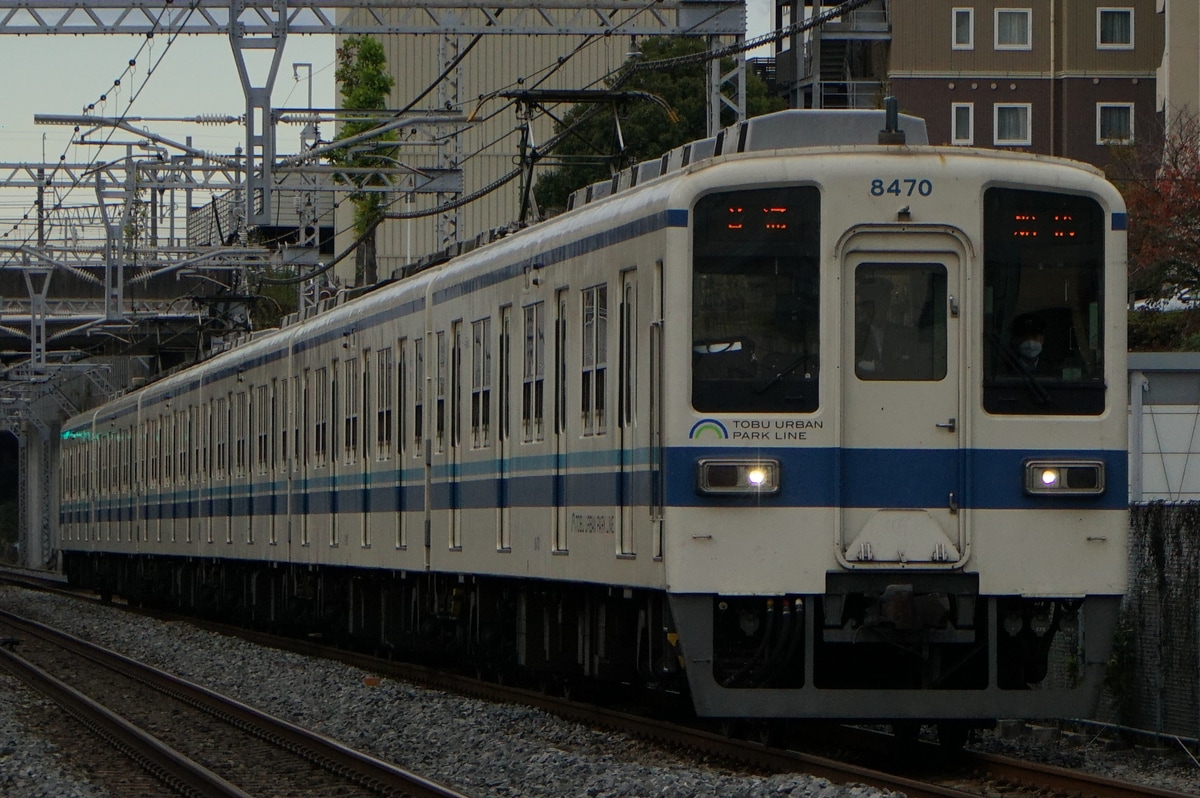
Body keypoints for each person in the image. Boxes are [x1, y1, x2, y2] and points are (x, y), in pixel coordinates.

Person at [855, 277, 919, 378]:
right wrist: (870, 366)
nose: (877, 308)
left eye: (881, 302)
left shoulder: (904, 335)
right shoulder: (853, 333)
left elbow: (914, 368)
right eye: (870, 304)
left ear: (887, 303)